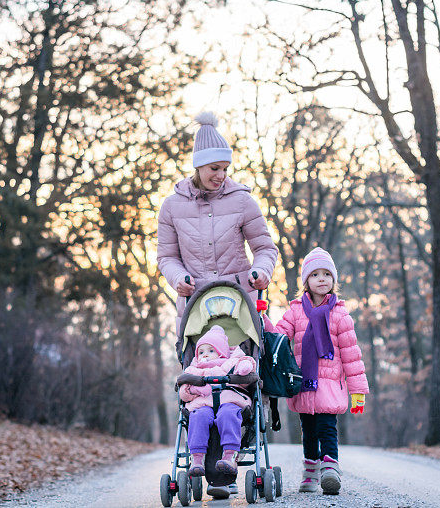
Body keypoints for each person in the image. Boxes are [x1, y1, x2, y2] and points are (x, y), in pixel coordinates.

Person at [157, 111, 278, 497]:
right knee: (202, 385)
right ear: (197, 166)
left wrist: (262, 271)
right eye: (213, 168)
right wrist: (179, 279)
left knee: (233, 385)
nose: (220, 175)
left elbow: (265, 248)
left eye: (225, 168)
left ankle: (225, 466)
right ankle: (208, 472)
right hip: (194, 306)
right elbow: (166, 257)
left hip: (238, 306)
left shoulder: (243, 200)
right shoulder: (171, 207)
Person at [271, 247, 369, 495]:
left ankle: (330, 471)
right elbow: (280, 336)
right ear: (306, 281)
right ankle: (311, 471)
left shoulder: (340, 314)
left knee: (327, 427)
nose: (322, 279)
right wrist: (264, 322)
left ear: (334, 280)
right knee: (308, 430)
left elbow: (352, 356)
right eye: (315, 274)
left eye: (327, 274)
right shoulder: (295, 311)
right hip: (304, 382)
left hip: (329, 384)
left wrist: (357, 392)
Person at [179, 326, 255, 476]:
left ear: (222, 352)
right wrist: (195, 390)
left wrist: (244, 368)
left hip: (229, 400)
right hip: (203, 404)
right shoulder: (193, 370)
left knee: (228, 414)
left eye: (211, 351)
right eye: (201, 352)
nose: (205, 355)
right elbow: (183, 393)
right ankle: (197, 459)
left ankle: (230, 455)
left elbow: (247, 366)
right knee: (197, 417)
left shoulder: (232, 362)